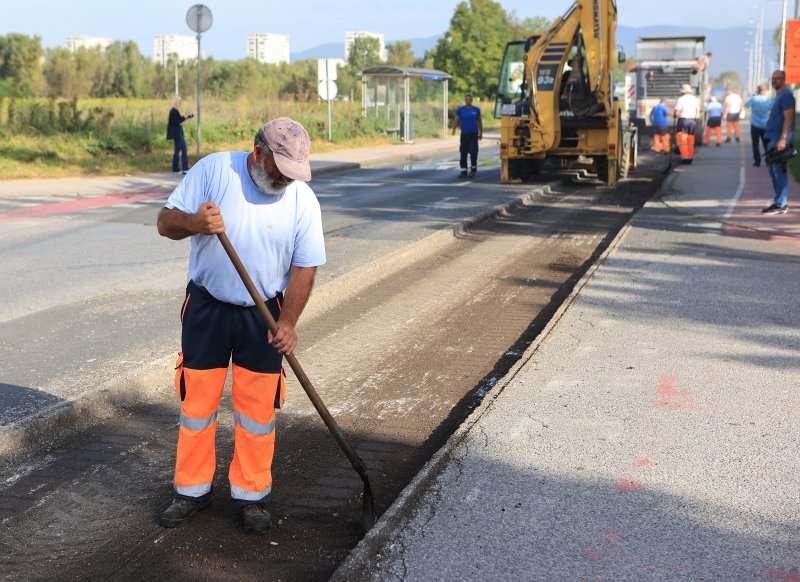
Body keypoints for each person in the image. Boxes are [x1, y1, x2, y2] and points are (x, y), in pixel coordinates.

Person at [156, 117, 326, 534]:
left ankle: (252, 495)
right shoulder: (216, 171)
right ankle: (192, 491)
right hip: (207, 308)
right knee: (197, 405)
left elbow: (305, 267)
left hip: (263, 313)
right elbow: (165, 222)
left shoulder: (302, 200)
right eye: (280, 170)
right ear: (257, 154)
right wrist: (194, 223)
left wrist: (288, 322)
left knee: (257, 409)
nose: (287, 181)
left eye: (293, 174)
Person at [762, 70, 795, 215]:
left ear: (784, 79)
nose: (774, 81)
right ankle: (779, 201)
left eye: (777, 78)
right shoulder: (779, 95)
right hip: (773, 136)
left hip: (779, 138)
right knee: (773, 170)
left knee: (778, 170)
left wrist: (783, 138)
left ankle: (781, 203)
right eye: (772, 78)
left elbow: (788, 119)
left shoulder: (786, 96)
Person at [451, 94, 483, 178]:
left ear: (472, 100)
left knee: (473, 152)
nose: (468, 101)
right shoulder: (461, 110)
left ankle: (473, 169)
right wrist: (454, 129)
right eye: (466, 100)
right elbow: (457, 120)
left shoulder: (476, 110)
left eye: (469, 100)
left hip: (473, 134)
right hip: (464, 134)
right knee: (463, 152)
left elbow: (479, 121)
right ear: (465, 101)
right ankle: (463, 171)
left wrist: (481, 133)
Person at [745, 84, 773, 166]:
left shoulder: (754, 99)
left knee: (755, 144)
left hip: (755, 124)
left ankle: (757, 161)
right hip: (765, 124)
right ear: (765, 91)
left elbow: (746, 106)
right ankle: (768, 160)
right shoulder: (768, 100)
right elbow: (772, 108)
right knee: (766, 144)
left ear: (758, 91)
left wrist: (754, 96)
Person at [674, 84, 701, 163]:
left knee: (682, 140)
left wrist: (675, 114)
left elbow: (677, 112)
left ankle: (685, 157)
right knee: (690, 140)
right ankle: (690, 156)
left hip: (683, 121)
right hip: (692, 121)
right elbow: (697, 111)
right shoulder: (695, 99)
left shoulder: (681, 99)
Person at [166, 96, 194, 174]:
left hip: (178, 133)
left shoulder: (174, 110)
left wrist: (186, 117)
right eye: (180, 102)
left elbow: (176, 121)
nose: (181, 103)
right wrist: (186, 117)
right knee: (183, 149)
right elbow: (176, 122)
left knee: (177, 150)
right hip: (177, 133)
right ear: (177, 102)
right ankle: (184, 168)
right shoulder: (174, 111)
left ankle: (175, 168)